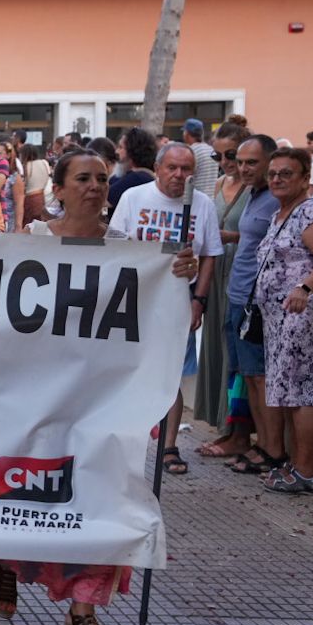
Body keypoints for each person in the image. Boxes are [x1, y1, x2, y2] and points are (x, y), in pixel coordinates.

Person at [0, 149, 197, 625]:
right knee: (19, 488)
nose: (95, 186)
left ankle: (83, 615)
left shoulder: (132, 253)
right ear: (57, 189)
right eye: (83, 178)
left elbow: (155, 314)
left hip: (99, 403)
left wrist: (175, 273)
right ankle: (5, 565)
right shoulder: (28, 243)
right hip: (32, 399)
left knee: (98, 496)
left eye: (102, 178)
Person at [108, 143, 224, 476]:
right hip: (134, 300)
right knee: (129, 370)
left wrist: (199, 300)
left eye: (186, 169)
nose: (179, 175)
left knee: (169, 372)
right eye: (172, 168)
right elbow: (114, 244)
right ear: (158, 168)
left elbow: (211, 255)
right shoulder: (134, 198)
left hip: (176, 302)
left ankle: (168, 445)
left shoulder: (202, 205)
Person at [252, 147, 313, 493]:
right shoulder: (283, 213)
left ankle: (306, 471)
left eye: (286, 173)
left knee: (303, 393)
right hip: (279, 321)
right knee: (291, 394)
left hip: (300, 318)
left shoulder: (308, 212)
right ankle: (298, 463)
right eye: (272, 173)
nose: (276, 179)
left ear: (305, 178)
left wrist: (304, 287)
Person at [216, 136, 279, 470]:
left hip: (257, 302)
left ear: (270, 161)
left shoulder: (277, 198)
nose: (242, 168)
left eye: (250, 162)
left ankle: (271, 450)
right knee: (246, 375)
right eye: (238, 161)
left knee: (259, 376)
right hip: (236, 294)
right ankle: (256, 443)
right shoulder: (252, 194)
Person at [192, 129, 254, 436]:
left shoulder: (256, 190)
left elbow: (262, 235)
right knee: (215, 344)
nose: (227, 162)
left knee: (236, 350)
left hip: (242, 275)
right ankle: (221, 420)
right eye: (220, 156)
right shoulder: (217, 184)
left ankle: (236, 426)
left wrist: (231, 237)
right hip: (215, 273)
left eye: (233, 156)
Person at [107, 128, 157, 217]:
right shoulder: (126, 175)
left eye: (121, 147)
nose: (116, 151)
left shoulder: (138, 177)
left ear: (133, 152)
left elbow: (105, 200)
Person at [16, 143, 52, 227]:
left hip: (29, 198)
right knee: (40, 223)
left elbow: (23, 184)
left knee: (28, 224)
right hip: (41, 197)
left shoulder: (25, 166)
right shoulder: (44, 162)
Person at [183, 117, 219, 196]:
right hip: (212, 198)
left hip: (196, 199)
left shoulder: (190, 152)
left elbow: (186, 177)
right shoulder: (211, 150)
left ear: (187, 133)